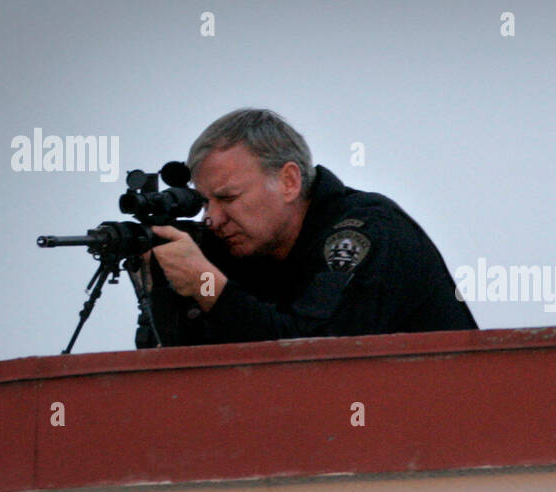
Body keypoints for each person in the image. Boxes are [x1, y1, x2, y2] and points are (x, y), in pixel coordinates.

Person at [134, 108, 477, 347]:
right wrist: (161, 295)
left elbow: (306, 353)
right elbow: (194, 372)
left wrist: (205, 284)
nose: (213, 219)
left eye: (229, 198)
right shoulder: (243, 244)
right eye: (205, 202)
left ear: (289, 181)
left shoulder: (365, 232)